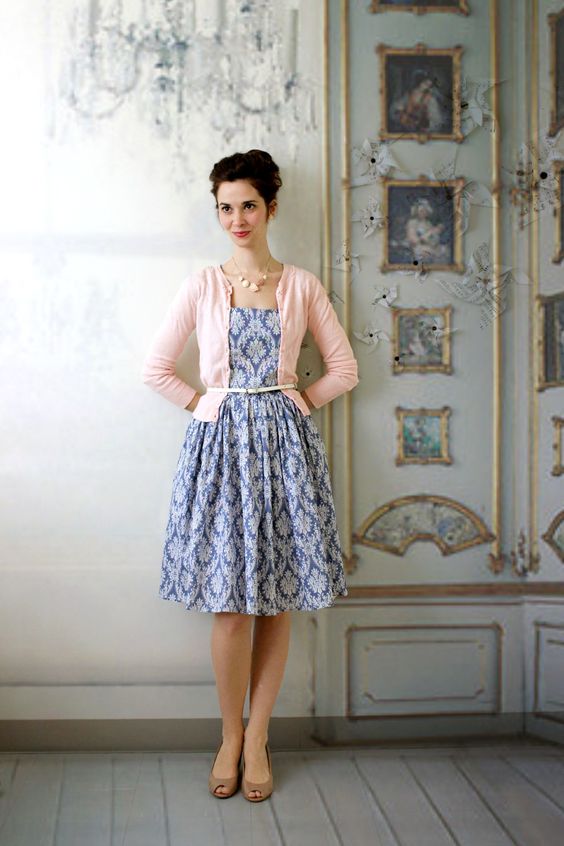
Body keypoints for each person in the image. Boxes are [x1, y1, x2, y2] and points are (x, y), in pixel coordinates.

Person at [141, 149, 359, 802]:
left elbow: (344, 369)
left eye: (248, 206)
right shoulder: (202, 286)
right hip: (220, 455)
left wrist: (295, 402)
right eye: (226, 208)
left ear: (270, 208)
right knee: (232, 608)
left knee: (276, 600)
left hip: (285, 454)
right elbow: (156, 369)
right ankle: (229, 736)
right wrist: (208, 405)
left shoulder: (302, 286)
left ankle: (259, 737)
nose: (237, 219)